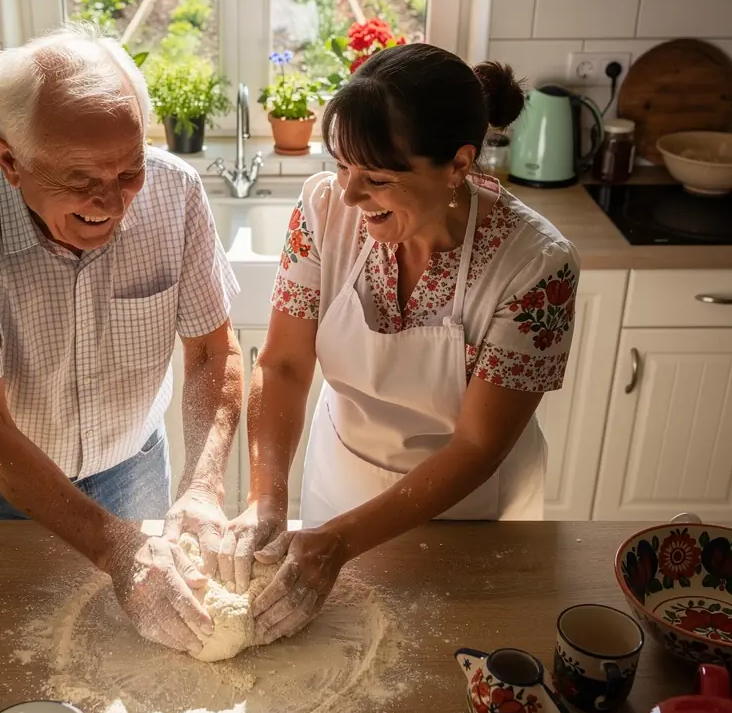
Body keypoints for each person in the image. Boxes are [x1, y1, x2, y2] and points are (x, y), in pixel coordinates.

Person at [0, 24, 243, 655]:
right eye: (80, 178)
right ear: (8, 161)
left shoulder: (176, 193)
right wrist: (117, 548)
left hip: (131, 464)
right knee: (1, 651)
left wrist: (202, 484)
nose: (112, 202)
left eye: (128, 171)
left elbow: (213, 353)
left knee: (138, 655)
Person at [220, 43, 580, 643]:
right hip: (340, 486)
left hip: (467, 508)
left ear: (459, 165)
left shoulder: (536, 266)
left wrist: (340, 542)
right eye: (341, 167)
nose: (351, 196)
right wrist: (266, 497)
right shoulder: (322, 209)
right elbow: (283, 364)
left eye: (378, 179)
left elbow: (476, 444)